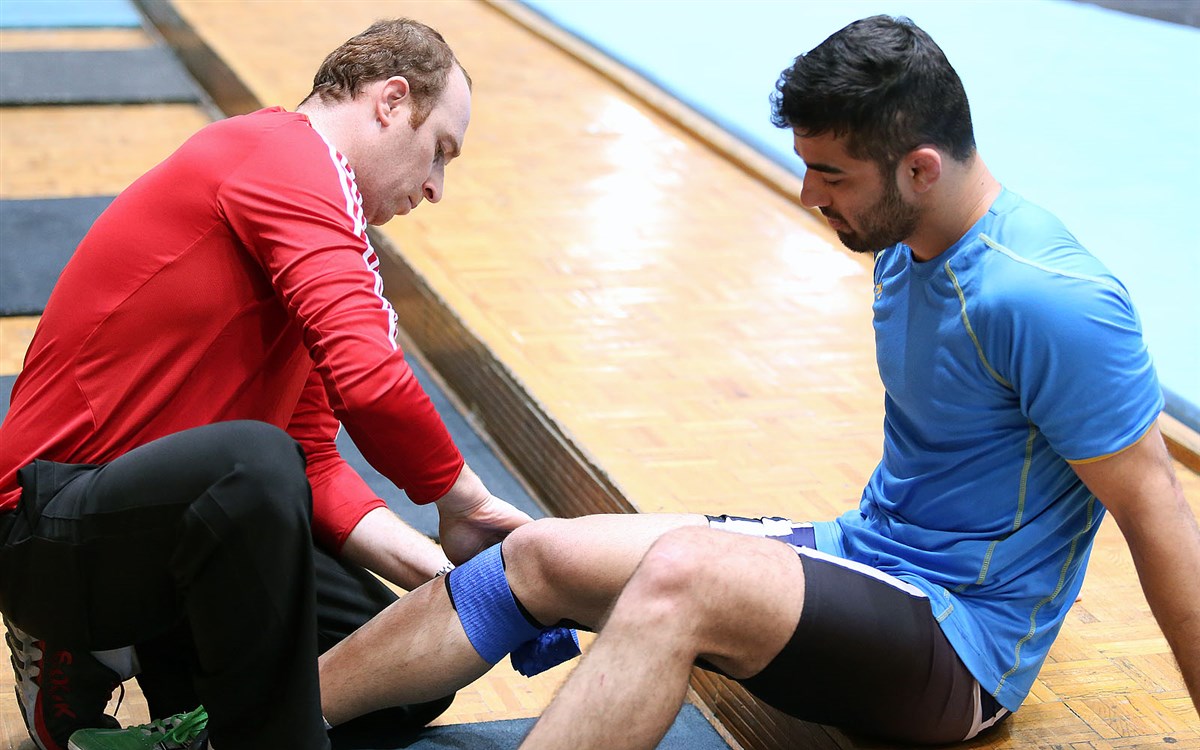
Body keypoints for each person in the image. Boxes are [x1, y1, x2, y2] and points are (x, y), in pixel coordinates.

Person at [270, 13, 1200, 749]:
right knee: (535, 554)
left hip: (961, 644)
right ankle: (242, 732)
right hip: (867, 554)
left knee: (685, 576)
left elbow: (1160, 520)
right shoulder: (905, 241)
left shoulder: (1051, 300)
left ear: (919, 168)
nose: (808, 195)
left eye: (830, 174)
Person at [0, 18, 533, 750]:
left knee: (402, 657)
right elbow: (370, 384)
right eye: (439, 150)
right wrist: (464, 500)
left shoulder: (315, 211)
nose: (437, 186)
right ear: (390, 101)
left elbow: (312, 459)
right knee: (252, 464)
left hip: (169, 526)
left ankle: (191, 721)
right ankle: (79, 646)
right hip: (46, 526)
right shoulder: (281, 157)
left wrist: (449, 575)